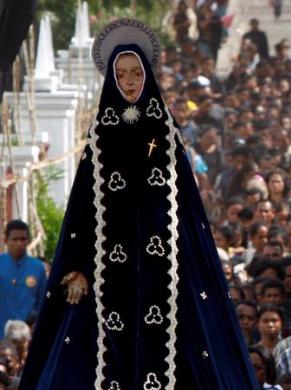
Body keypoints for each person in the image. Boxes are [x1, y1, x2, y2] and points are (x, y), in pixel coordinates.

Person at [20, 20, 257, 389]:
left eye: (135, 73)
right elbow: (83, 211)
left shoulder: (166, 131)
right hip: (106, 270)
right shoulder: (100, 134)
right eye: (121, 75)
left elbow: (186, 205)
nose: (129, 82)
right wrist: (79, 265)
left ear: (146, 75)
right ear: (112, 79)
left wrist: (186, 261)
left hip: (162, 267)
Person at [0, 220, 46, 333]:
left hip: (27, 338)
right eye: (15, 239)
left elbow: (42, 303)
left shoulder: (38, 267)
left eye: (23, 239)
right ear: (5, 240)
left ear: (28, 240)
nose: (19, 243)